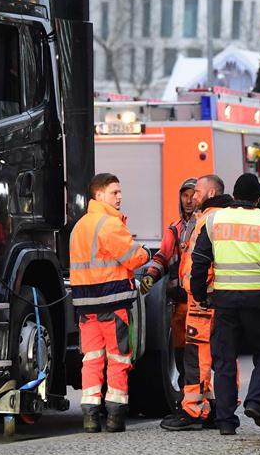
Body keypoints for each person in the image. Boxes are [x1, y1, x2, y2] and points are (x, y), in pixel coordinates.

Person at [190, 173, 260, 436]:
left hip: (224, 301)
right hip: (259, 301)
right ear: (258, 198)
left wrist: (199, 293)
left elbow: (200, 260)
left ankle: (225, 422)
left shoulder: (214, 220)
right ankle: (257, 402)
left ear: (234, 196)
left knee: (224, 360)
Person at [70, 173, 151, 433]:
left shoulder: (79, 227)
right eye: (114, 192)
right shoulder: (109, 224)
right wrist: (147, 252)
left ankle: (90, 418)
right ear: (99, 195)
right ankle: (115, 417)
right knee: (118, 359)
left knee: (91, 359)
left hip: (86, 307)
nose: (120, 197)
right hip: (114, 304)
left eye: (119, 192)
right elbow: (133, 258)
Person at [156, 175, 233, 431]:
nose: (193, 198)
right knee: (213, 357)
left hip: (201, 300)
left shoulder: (207, 220)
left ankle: (192, 409)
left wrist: (199, 291)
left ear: (210, 192)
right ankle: (214, 409)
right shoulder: (222, 217)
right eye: (188, 193)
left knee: (197, 357)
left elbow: (203, 262)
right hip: (214, 299)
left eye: (197, 192)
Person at [140, 177, 198, 386]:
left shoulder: (206, 225)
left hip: (201, 301)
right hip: (180, 302)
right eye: (185, 196)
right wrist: (150, 276)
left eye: (193, 196)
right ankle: (188, 400)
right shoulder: (174, 229)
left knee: (200, 354)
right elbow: (162, 257)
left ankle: (201, 403)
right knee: (182, 353)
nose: (189, 200)